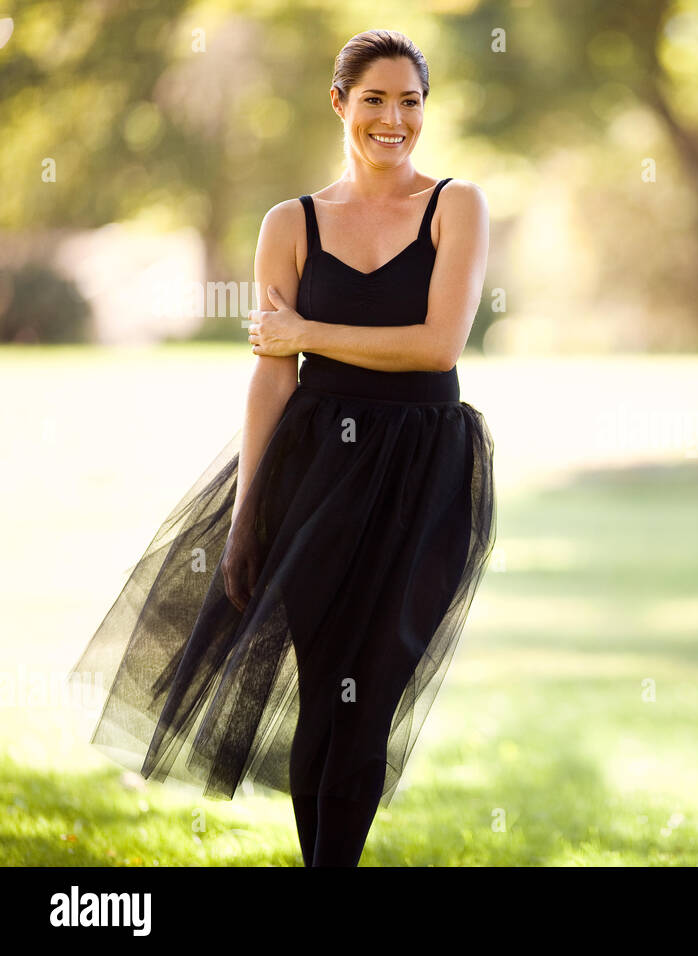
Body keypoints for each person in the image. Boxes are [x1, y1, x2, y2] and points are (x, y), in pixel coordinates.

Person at [68, 29, 495, 867]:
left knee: (371, 699)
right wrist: (247, 513)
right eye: (374, 99)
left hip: (425, 476)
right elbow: (271, 378)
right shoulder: (290, 224)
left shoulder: (457, 205)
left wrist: (306, 331)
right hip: (316, 475)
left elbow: (439, 345)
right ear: (340, 104)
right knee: (325, 697)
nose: (394, 119)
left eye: (411, 101)